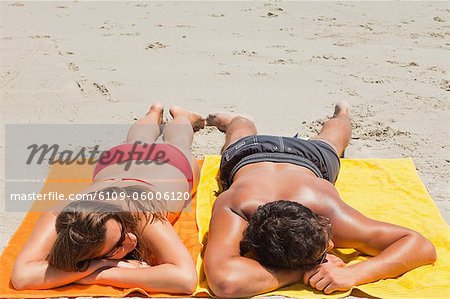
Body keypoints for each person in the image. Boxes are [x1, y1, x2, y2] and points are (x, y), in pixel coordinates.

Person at [203, 101, 436, 298]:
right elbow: (226, 282)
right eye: (325, 251)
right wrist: (305, 271)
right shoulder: (237, 207)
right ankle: (239, 121)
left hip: (280, 158)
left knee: (332, 142)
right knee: (327, 142)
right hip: (262, 156)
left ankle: (342, 113)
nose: (333, 245)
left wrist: (353, 273)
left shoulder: (325, 210)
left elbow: (420, 245)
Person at [12, 103, 205, 294]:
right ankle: (156, 113)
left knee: (178, 144)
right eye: (119, 243)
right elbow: (21, 277)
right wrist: (99, 265)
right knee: (138, 139)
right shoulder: (62, 213)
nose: (129, 238)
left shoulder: (140, 213)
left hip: (172, 164)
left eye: (122, 230)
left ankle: (182, 117)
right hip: (117, 163)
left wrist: (100, 273)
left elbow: (185, 279)